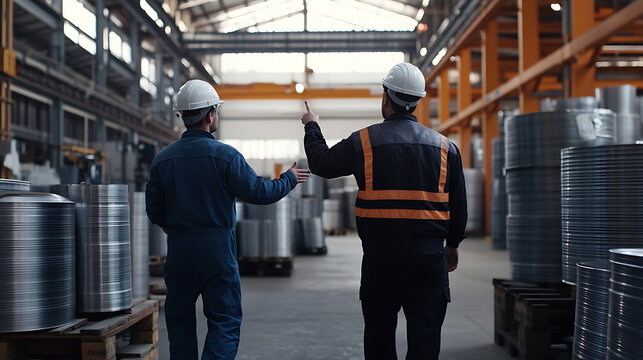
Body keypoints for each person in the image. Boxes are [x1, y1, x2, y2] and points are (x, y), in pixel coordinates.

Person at [300, 63, 467, 360]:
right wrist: (452, 246)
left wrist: (312, 125)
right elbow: (459, 207)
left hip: (381, 260)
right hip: (429, 261)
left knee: (379, 339)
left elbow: (321, 163)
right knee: (425, 343)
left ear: (385, 98)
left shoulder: (364, 142)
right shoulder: (446, 148)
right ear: (417, 101)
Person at [146, 79, 310, 360]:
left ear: (183, 115)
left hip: (180, 251)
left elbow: (154, 210)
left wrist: (176, 228)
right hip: (216, 252)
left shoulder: (163, 160)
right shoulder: (226, 157)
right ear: (210, 115)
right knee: (224, 320)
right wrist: (288, 180)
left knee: (180, 322)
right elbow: (259, 192)